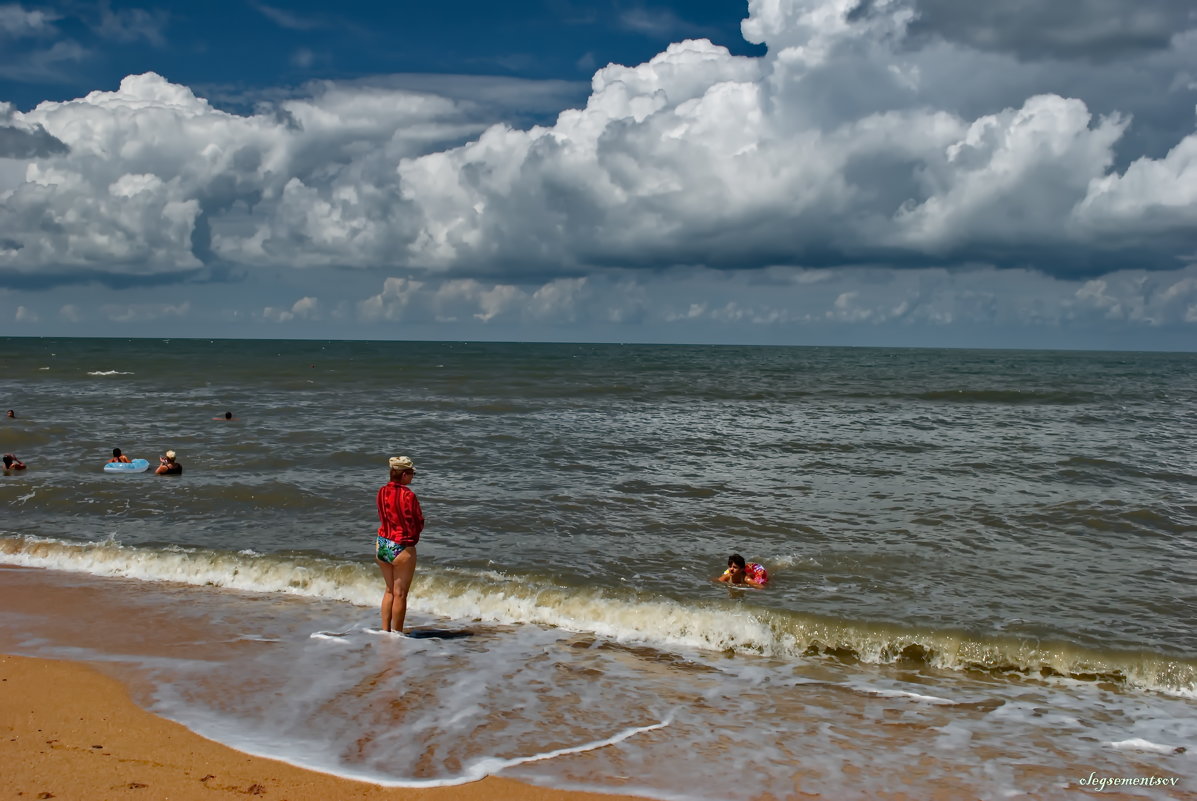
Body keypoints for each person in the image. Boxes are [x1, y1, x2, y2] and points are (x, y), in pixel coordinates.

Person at [375, 455, 424, 633]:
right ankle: (397, 634)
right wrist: (413, 538)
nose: (412, 477)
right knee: (400, 594)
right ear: (404, 475)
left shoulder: (381, 491)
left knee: (389, 591)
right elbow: (418, 522)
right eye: (411, 473)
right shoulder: (408, 495)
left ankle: (385, 631)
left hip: (382, 544)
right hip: (401, 547)